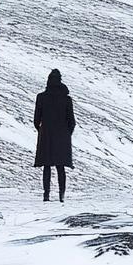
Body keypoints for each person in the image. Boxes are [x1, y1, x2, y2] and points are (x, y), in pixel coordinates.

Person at [34, 68, 76, 202]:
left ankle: (46, 195)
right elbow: (72, 121)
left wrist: (42, 130)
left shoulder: (41, 97)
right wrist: (66, 134)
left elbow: (36, 119)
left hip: (46, 135)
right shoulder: (66, 99)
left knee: (47, 166)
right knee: (60, 166)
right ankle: (61, 195)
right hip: (62, 136)